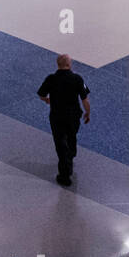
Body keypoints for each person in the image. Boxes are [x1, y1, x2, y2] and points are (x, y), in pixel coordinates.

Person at [37, 54, 90, 186]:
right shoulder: (77, 79)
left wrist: (47, 100)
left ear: (58, 64)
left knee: (60, 142)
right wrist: (87, 112)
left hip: (57, 116)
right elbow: (85, 99)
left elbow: (41, 94)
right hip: (73, 116)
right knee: (72, 136)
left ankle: (64, 175)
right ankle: (71, 155)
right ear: (69, 64)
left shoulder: (51, 78)